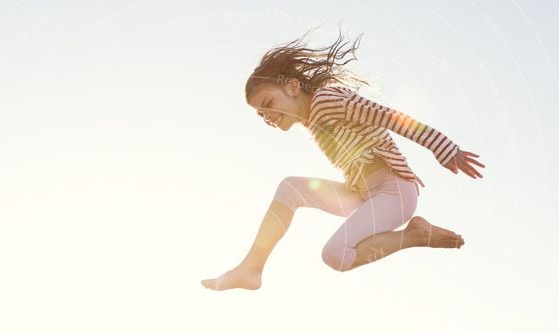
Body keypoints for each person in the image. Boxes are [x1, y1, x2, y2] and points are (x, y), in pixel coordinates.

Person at [201, 29, 484, 291]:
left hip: (393, 192)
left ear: (292, 86)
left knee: (336, 255)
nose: (268, 118)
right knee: (290, 188)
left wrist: (445, 148)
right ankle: (251, 268)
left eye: (269, 105)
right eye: (261, 115)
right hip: (362, 194)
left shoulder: (327, 99)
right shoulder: (311, 119)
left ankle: (414, 236)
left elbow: (389, 117)